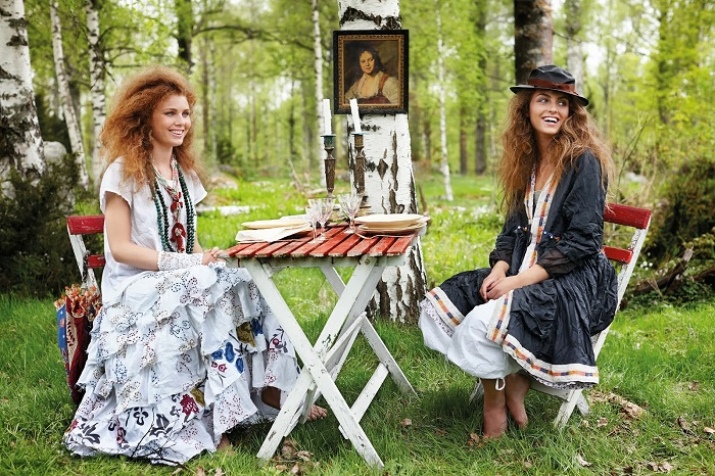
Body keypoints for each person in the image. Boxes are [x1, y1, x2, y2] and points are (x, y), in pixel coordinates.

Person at [63, 66, 325, 465]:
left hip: (178, 277)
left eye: (185, 113)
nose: (181, 122)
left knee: (244, 278)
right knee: (204, 285)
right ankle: (209, 421)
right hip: (135, 287)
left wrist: (206, 258)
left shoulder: (182, 172)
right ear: (145, 117)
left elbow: (188, 239)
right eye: (170, 113)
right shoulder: (122, 173)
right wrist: (190, 263)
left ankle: (272, 389)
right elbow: (120, 249)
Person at [418, 65, 618, 438]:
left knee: (481, 324)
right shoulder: (525, 160)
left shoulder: (583, 161)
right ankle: (509, 382)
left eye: (562, 103)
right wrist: (500, 269)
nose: (553, 109)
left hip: (574, 280)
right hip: (524, 267)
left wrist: (517, 282)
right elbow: (512, 230)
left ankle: (494, 408)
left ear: (571, 112)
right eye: (543, 100)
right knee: (444, 305)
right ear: (526, 107)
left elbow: (584, 241)